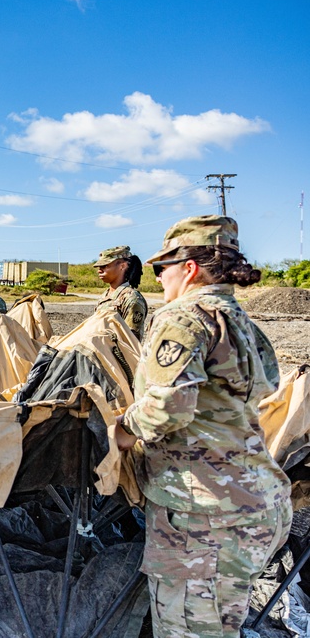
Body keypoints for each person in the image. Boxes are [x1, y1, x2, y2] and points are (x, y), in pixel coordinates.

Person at [115, 216, 291, 638]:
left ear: (189, 267)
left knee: (189, 629)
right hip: (254, 501)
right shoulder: (241, 321)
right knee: (221, 624)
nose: (158, 278)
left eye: (162, 268)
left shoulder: (184, 317)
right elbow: (265, 388)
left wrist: (122, 430)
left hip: (202, 516)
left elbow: (168, 407)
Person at [93, 245, 148, 340]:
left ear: (122, 266)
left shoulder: (131, 298)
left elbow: (131, 340)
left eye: (105, 266)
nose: (99, 270)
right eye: (99, 267)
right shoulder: (105, 296)